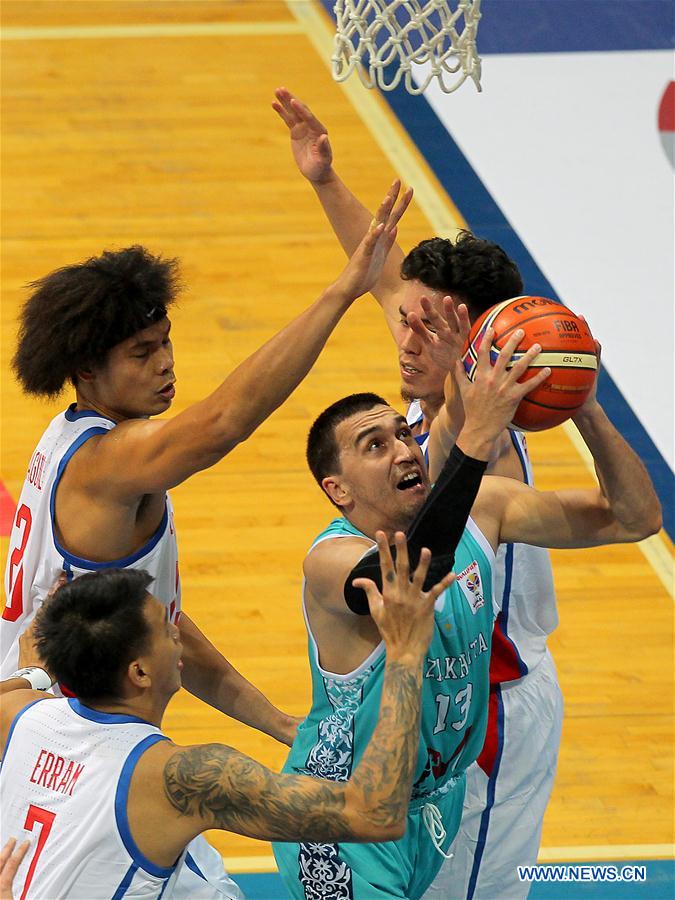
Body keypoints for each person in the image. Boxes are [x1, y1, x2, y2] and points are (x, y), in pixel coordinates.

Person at [0, 183, 410, 898]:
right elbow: (224, 422)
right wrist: (342, 291)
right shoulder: (109, 462)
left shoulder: (66, 440)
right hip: (78, 745)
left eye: (165, 343)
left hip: (34, 723)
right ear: (88, 370)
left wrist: (277, 722)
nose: (165, 363)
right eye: (142, 352)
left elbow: (167, 627)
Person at [273, 87, 565, 898]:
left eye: (426, 326)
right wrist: (325, 180)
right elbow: (384, 282)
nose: (404, 333)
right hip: (431, 693)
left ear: (475, 341)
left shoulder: (482, 438)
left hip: (491, 709)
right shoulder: (423, 396)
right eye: (408, 319)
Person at [271, 319, 661, 898]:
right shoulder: (330, 561)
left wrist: (586, 409)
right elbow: (413, 574)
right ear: (338, 490)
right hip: (344, 817)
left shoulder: (484, 508)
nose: (403, 450)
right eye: (375, 446)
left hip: (434, 801)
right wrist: (476, 433)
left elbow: (635, 517)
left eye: (402, 434)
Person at [0, 550, 453, 900]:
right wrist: (405, 653)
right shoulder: (182, 778)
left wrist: (33, 674)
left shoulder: (23, 715)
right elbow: (374, 814)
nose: (179, 635)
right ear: (139, 673)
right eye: (167, 630)